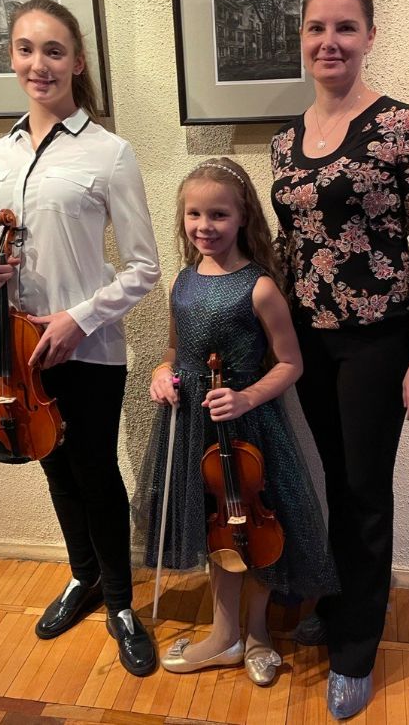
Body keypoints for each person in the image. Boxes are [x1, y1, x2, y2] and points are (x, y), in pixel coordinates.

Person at [270, 0, 409, 719]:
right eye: (317, 28)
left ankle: (356, 650)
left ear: (370, 37)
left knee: (364, 491)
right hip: (309, 343)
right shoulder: (285, 140)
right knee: (331, 482)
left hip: (380, 341)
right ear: (302, 39)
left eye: (345, 28)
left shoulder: (403, 128)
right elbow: (290, 247)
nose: (330, 42)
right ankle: (339, 600)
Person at [0, 0, 161, 676]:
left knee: (96, 471)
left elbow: (144, 267)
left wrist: (80, 318)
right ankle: (84, 576)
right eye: (25, 49)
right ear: (11, 58)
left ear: (77, 61)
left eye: (53, 50)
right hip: (16, 350)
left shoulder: (109, 152)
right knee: (52, 465)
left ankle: (122, 604)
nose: (38, 64)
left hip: (89, 349)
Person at [134, 157, 338, 687]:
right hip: (194, 428)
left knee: (259, 529)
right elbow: (175, 351)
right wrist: (161, 374)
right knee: (215, 527)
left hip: (249, 428)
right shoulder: (182, 282)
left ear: (243, 216)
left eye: (219, 215)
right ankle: (224, 635)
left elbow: (290, 363)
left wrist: (246, 398)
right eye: (194, 214)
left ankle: (258, 633)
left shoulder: (260, 286)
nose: (205, 226)